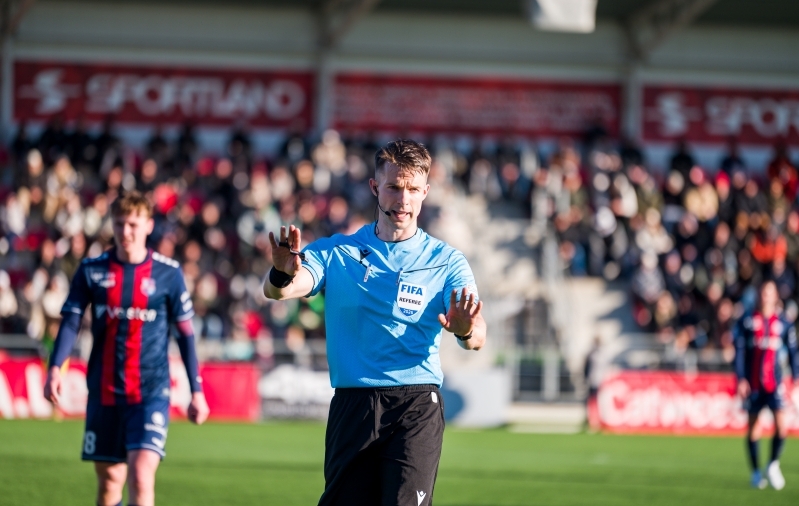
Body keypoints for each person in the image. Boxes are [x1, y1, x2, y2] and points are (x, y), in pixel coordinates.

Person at [263, 139, 486, 506]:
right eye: (394, 187)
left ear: (426, 192)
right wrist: (282, 273)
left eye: (413, 189)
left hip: (416, 403)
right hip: (353, 405)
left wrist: (465, 329)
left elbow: (477, 334)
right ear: (374, 187)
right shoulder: (337, 251)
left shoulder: (447, 261)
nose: (403, 199)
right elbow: (279, 290)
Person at [43, 191, 209, 506]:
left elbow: (186, 335)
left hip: (150, 392)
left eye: (133, 224)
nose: (125, 231)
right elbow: (71, 323)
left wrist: (196, 391)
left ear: (148, 226)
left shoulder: (168, 273)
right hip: (104, 390)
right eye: (119, 224)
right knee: (109, 484)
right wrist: (55, 368)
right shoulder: (91, 270)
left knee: (141, 476)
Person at [734, 280, 798, 491]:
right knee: (753, 427)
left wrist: (796, 376)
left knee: (781, 426)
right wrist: (740, 378)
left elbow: (793, 352)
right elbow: (739, 352)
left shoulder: (784, 322)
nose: (765, 297)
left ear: (775, 295)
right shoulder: (747, 321)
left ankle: (772, 464)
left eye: (769, 293)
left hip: (775, 382)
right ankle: (755, 471)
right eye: (762, 292)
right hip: (753, 384)